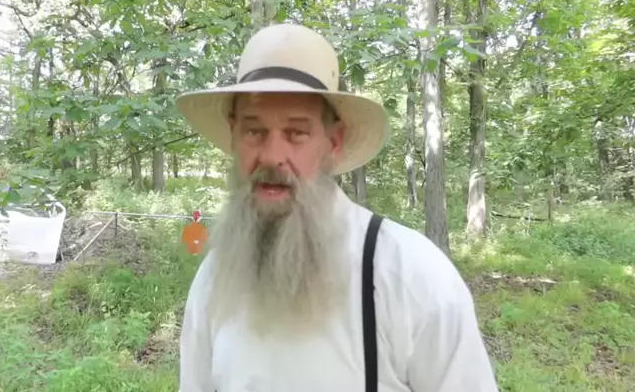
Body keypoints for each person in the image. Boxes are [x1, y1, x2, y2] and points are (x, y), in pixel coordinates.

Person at [175, 23, 498, 392]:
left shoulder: (411, 277)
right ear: (233, 135)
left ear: (334, 141)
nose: (272, 155)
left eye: (296, 133)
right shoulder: (214, 281)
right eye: (254, 131)